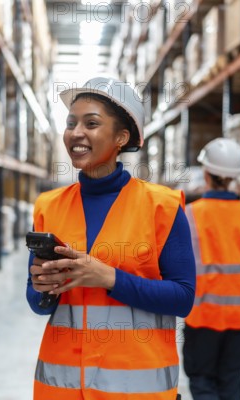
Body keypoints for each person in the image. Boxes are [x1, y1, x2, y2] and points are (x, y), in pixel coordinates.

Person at [26, 77, 196, 400]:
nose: (76, 133)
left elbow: (183, 298)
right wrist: (41, 288)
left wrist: (110, 278)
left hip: (135, 391)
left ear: (121, 137)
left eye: (91, 123)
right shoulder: (49, 206)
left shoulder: (162, 206)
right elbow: (37, 304)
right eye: (71, 123)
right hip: (61, 390)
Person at [182, 138, 240, 400]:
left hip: (203, 317)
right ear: (234, 178)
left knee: (202, 381)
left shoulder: (188, 215)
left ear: (206, 173)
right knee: (230, 382)